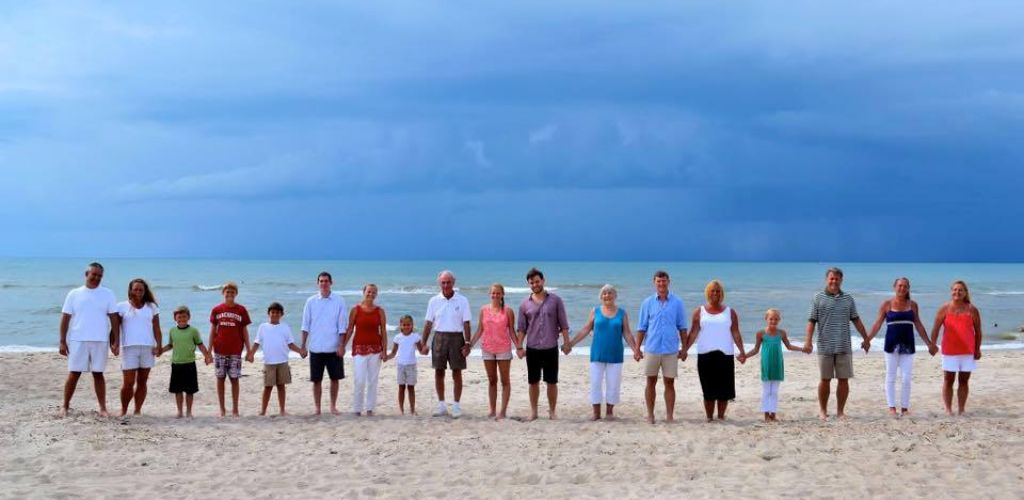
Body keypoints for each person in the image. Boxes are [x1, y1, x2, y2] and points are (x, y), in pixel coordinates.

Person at [565, 284, 641, 421]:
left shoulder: (622, 313)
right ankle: (596, 413)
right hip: (597, 353)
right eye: (604, 293)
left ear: (615, 295)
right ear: (601, 296)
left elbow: (627, 333)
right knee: (595, 383)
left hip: (615, 353)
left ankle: (610, 413)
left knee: (613, 384)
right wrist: (570, 343)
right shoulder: (595, 311)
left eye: (610, 293)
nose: (607, 295)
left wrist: (636, 349)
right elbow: (585, 330)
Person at [863, 277, 937, 417]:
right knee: (890, 377)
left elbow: (919, 325)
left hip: (908, 345)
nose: (902, 288)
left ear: (908, 288)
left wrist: (929, 344)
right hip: (891, 345)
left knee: (906, 378)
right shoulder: (886, 304)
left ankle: (904, 408)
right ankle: (892, 407)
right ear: (894, 287)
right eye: (899, 286)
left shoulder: (913, 305)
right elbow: (877, 324)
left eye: (905, 286)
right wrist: (867, 340)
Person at [804, 267, 870, 420]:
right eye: (831, 278)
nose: (834, 281)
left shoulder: (848, 299)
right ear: (827, 279)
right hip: (824, 345)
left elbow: (856, 320)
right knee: (825, 380)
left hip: (843, 345)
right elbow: (811, 321)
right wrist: (808, 342)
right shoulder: (818, 298)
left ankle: (840, 412)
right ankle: (823, 411)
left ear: (841, 280)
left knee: (843, 379)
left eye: (837, 278)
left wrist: (866, 339)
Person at [59, 262, 120, 417]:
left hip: (100, 340)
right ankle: (65, 406)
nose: (96, 278)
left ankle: (102, 408)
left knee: (98, 374)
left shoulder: (108, 294)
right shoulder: (74, 294)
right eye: (94, 274)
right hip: (78, 339)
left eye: (99, 275)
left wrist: (116, 341)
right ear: (87, 274)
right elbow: (65, 318)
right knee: (74, 373)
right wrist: (62, 341)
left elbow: (114, 318)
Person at [684, 280, 746, 422]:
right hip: (705, 354)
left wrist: (742, 351)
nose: (715, 293)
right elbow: (693, 333)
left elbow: (736, 333)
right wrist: (685, 350)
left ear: (722, 293)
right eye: (712, 290)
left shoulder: (730, 312)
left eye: (718, 291)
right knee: (708, 390)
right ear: (707, 293)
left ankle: (721, 416)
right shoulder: (699, 312)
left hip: (725, 354)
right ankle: (709, 417)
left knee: (724, 390)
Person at [516, 268, 571, 421]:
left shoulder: (555, 300)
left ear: (543, 281)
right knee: (533, 382)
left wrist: (567, 343)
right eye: (531, 282)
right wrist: (519, 347)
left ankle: (552, 412)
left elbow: (564, 324)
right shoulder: (524, 304)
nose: (535, 284)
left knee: (551, 382)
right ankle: (534, 412)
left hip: (551, 347)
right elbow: (521, 328)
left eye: (537, 281)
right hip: (532, 348)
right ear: (529, 284)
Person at [636, 270, 688, 424]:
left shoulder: (677, 302)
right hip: (652, 348)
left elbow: (683, 327)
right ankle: (650, 415)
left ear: (668, 282)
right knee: (650, 381)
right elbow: (641, 328)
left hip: (670, 349)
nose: (661, 284)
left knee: (669, 383)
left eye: (664, 281)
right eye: (658, 281)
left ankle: (670, 416)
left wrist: (684, 348)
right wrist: (637, 348)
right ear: (654, 282)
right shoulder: (647, 303)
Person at [421, 270, 472, 418]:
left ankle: (456, 406)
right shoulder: (433, 301)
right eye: (443, 282)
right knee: (439, 372)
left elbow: (467, 323)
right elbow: (428, 323)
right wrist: (423, 343)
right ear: (439, 283)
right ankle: (442, 405)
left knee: (457, 372)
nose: (446, 285)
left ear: (453, 283)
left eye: (448, 282)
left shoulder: (462, 300)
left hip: (457, 338)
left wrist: (467, 343)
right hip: (439, 338)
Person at [929, 280, 983, 416]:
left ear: (965, 293)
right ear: (951, 291)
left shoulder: (972, 309)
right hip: (949, 351)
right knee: (948, 380)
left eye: (960, 290)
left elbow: (978, 331)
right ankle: (948, 409)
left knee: (964, 381)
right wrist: (933, 344)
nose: (957, 292)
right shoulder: (945, 308)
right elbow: (935, 328)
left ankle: (961, 409)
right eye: (955, 290)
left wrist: (977, 349)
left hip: (967, 351)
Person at [300, 271, 348, 415]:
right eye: (321, 281)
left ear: (331, 283)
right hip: (315, 347)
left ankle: (333, 406)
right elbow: (305, 325)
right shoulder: (311, 301)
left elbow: (342, 326)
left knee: (335, 379)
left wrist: (341, 345)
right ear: (317, 283)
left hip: (333, 348)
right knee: (316, 380)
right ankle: (317, 408)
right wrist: (303, 346)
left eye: (326, 281)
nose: (324, 283)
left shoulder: (339, 300)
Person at [743, 309, 804, 422]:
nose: (773, 321)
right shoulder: (761, 333)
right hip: (766, 365)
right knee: (766, 391)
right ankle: (766, 414)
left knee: (774, 391)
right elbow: (756, 350)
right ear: (766, 319)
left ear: (779, 320)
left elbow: (789, 346)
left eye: (776, 319)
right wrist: (744, 356)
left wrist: (802, 349)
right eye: (771, 319)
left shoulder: (781, 333)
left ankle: (773, 414)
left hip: (777, 365)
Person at [467, 283, 516, 420]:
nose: (495, 295)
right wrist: (469, 345)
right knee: (492, 380)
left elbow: (512, 331)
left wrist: (519, 347)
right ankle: (493, 410)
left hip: (503, 349)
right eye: (493, 293)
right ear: (489, 294)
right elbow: (479, 330)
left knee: (505, 381)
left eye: (498, 293)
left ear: (502, 295)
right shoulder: (483, 310)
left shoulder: (508, 311)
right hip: (487, 348)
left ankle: (503, 412)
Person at [248, 302, 304, 416]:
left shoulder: (285, 327)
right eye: (272, 312)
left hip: (282, 361)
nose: (275, 314)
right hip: (269, 362)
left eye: (277, 313)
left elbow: (290, 344)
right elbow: (256, 343)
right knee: (268, 387)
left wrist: (300, 351)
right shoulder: (263, 327)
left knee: (281, 386)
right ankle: (263, 410)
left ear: (281, 314)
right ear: (268, 313)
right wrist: (251, 354)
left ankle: (282, 410)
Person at [116, 278, 162, 417]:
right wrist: (115, 343)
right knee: (128, 382)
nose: (138, 292)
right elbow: (115, 328)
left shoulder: (152, 307)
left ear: (145, 291)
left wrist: (159, 345)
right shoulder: (121, 306)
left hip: (148, 348)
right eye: (135, 289)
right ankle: (123, 410)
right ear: (130, 290)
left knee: (142, 381)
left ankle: (137, 410)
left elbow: (157, 328)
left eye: (141, 289)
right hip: (129, 348)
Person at [207, 282, 252, 417]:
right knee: (220, 379)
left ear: (236, 294)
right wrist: (209, 351)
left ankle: (235, 409)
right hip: (219, 350)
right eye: (227, 292)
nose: (230, 294)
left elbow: (244, 331)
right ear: (223, 293)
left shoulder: (241, 310)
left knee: (234, 379)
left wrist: (249, 350)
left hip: (236, 350)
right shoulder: (216, 310)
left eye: (232, 292)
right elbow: (212, 331)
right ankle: (222, 409)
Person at [344, 284, 388, 416]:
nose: (371, 294)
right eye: (369, 291)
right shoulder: (355, 309)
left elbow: (384, 332)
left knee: (372, 380)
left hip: (376, 349)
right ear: (364, 292)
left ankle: (370, 408)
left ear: (376, 294)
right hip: (359, 349)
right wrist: (342, 345)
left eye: (374, 292)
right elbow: (350, 329)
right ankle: (357, 409)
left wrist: (385, 350)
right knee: (359, 379)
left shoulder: (380, 311)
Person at [161, 306, 212, 418]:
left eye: (184, 316)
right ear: (175, 318)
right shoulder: (172, 331)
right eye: (179, 317)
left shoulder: (193, 331)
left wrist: (207, 355)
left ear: (189, 317)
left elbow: (200, 344)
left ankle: (189, 411)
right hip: (176, 364)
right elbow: (170, 345)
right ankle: (180, 411)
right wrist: (160, 350)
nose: (182, 319)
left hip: (189, 364)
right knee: (177, 390)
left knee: (190, 390)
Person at [386, 315, 422, 415]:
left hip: (411, 365)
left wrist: (426, 350)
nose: (406, 326)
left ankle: (412, 409)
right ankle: (401, 409)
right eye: (404, 324)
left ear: (412, 325)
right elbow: (393, 353)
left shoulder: (416, 337)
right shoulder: (397, 337)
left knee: (411, 388)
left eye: (408, 324)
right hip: (401, 366)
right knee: (401, 387)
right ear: (400, 325)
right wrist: (386, 357)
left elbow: (421, 350)